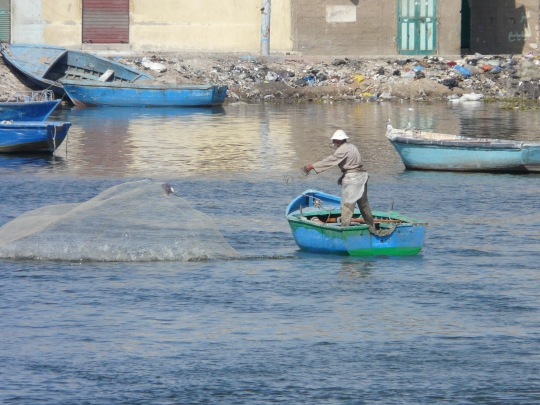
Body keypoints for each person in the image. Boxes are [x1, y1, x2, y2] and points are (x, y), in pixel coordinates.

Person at [302, 129, 393, 236]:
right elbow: (354, 165)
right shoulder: (352, 147)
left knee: (346, 206)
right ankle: (372, 227)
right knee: (364, 205)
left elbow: (330, 160)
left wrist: (312, 166)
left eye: (335, 140)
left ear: (340, 140)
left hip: (353, 180)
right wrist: (343, 175)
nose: (333, 142)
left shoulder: (342, 149)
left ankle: (345, 230)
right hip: (361, 177)